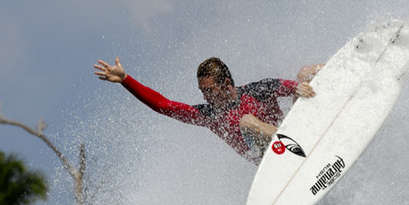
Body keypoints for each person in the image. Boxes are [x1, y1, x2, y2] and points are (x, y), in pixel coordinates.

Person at [94, 56, 322, 163]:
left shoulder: (258, 89)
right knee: (246, 122)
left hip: (291, 137)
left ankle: (355, 70)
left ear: (225, 84)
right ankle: (302, 140)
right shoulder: (210, 116)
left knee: (305, 73)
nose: (205, 96)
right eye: (202, 91)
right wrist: (126, 80)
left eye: (209, 90)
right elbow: (165, 106)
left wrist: (300, 88)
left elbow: (291, 87)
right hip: (272, 160)